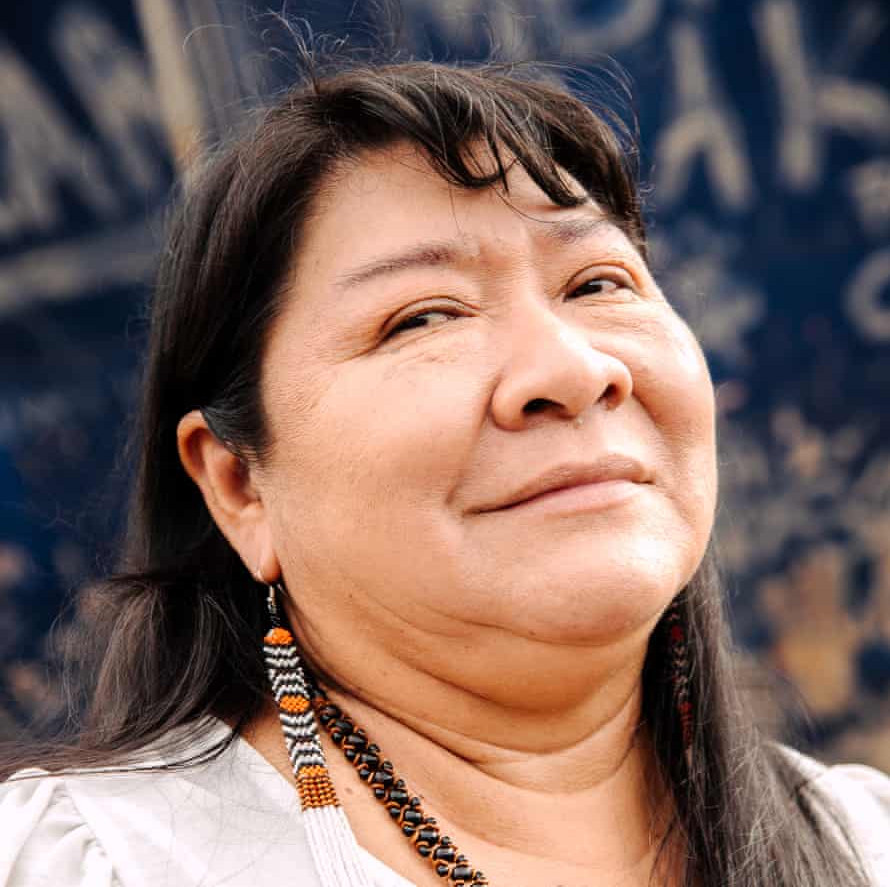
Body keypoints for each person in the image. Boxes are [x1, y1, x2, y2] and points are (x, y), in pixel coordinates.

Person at [1, 59, 888, 887]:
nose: (573, 371)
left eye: (598, 284)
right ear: (239, 486)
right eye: (424, 317)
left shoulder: (862, 843)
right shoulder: (86, 861)